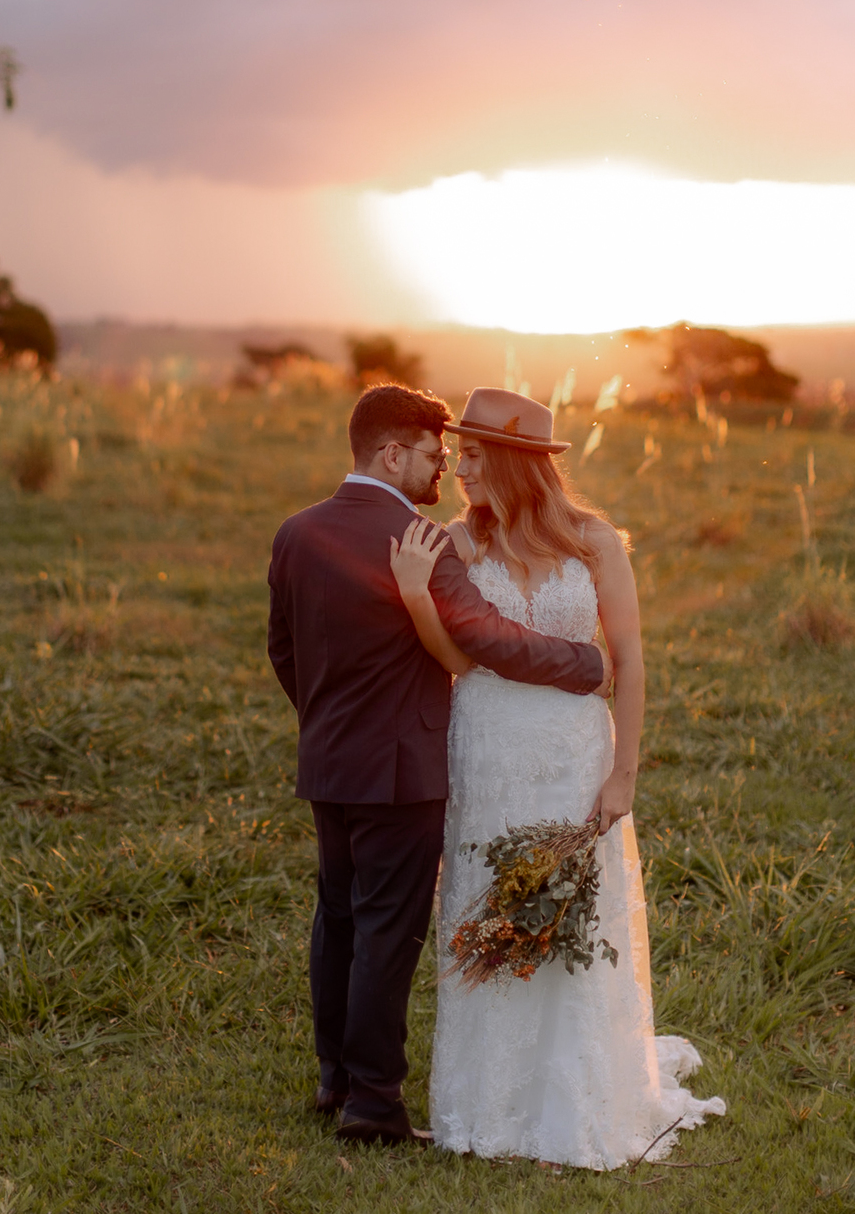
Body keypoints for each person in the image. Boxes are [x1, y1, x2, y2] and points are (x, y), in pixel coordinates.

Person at [267, 384, 614, 1147]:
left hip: (327, 763)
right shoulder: (416, 539)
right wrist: (586, 661)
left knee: (339, 915)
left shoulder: (296, 532)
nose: (443, 467)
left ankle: (334, 1074)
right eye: (432, 453)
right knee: (388, 930)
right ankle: (373, 1101)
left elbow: (283, 649)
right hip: (402, 770)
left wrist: (325, 723)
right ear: (392, 453)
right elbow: (487, 636)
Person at [389, 386, 726, 1171]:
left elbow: (632, 659)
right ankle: (489, 1101)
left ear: (510, 460)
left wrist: (625, 774)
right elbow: (458, 658)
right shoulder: (460, 544)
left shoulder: (594, 541)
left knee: (577, 911)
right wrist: (414, 594)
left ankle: (573, 1101)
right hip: (490, 745)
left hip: (576, 751)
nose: (459, 469)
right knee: (488, 900)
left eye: (471, 455)